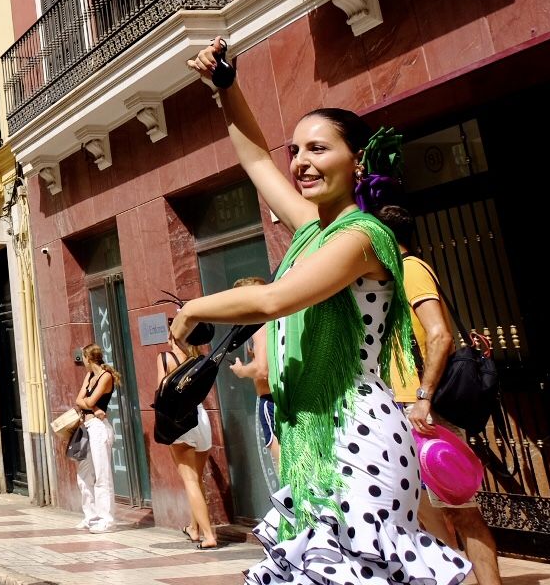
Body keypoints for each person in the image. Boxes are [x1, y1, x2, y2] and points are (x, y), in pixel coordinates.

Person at [169, 39, 469, 585]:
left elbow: (273, 300)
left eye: (319, 150)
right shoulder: (313, 228)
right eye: (298, 152)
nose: (302, 163)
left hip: (358, 433)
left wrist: (192, 307)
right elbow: (257, 158)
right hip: (311, 436)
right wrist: (225, 90)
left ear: (357, 163)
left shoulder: (361, 237)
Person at [379, 205, 503, 585]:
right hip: (402, 408)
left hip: (426, 411)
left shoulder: (412, 270)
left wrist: (423, 396)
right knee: (424, 516)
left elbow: (440, 335)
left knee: (461, 510)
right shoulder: (387, 278)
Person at [157, 333, 219, 547]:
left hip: (180, 421)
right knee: (197, 479)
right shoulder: (199, 359)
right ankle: (194, 528)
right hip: (201, 419)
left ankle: (209, 536)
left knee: (190, 480)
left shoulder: (165, 358)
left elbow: (162, 391)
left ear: (172, 337)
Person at [227, 275, 280, 480]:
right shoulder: (275, 321)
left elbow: (262, 369)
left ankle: (291, 505)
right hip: (280, 397)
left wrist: (242, 371)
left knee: (280, 459)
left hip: (269, 399)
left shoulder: (259, 325)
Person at [73, 344, 118, 532]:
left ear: (89, 358)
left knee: (102, 474)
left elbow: (88, 401)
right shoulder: (89, 375)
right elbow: (78, 400)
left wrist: (92, 406)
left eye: (83, 358)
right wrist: (93, 408)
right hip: (86, 427)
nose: (82, 361)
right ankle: (91, 516)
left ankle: (106, 519)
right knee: (83, 474)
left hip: (99, 429)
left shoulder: (105, 376)